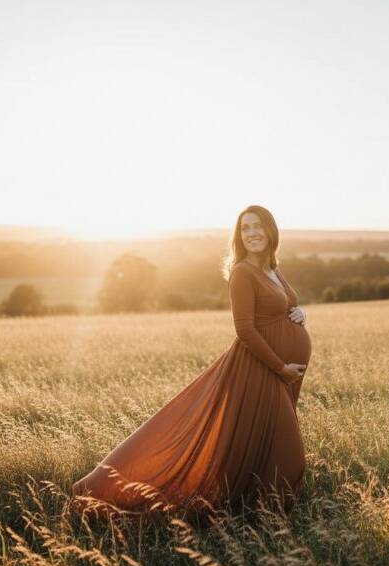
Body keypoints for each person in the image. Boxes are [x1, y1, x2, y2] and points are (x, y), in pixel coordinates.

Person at [71, 204, 311, 518]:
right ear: (239, 236)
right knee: (289, 454)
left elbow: (283, 305)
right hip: (261, 370)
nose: (252, 233)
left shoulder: (272, 268)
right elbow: (245, 329)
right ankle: (261, 513)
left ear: (270, 230)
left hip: (281, 372)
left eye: (258, 226)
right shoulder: (242, 272)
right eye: (245, 228)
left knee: (266, 448)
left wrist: (299, 312)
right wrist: (280, 368)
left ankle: (258, 513)